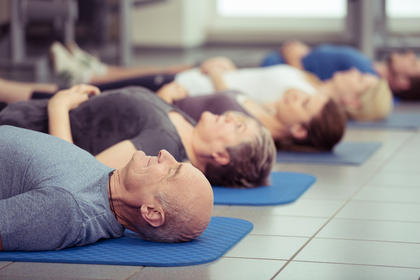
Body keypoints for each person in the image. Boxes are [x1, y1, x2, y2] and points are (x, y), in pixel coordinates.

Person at [0, 84, 275, 188]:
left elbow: (75, 177)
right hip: (21, 113)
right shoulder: (189, 125)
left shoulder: (162, 148)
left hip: (16, 133)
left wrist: (58, 106)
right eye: (239, 118)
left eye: (237, 127)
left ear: (221, 156)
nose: (230, 115)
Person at [0, 125, 214, 251]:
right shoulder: (103, 178)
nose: (164, 154)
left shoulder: (69, 208)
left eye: (170, 171)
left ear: (151, 211)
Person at [261, 40, 420, 100]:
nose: (410, 54)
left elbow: (312, 88)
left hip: (278, 72)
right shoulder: (367, 69)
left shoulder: (368, 80)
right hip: (282, 66)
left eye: (413, 63)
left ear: (403, 82)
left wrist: (293, 56)